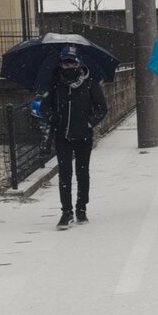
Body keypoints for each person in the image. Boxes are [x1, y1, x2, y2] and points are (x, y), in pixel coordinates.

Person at [43, 44, 108, 230]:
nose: (69, 67)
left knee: (82, 172)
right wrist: (52, 117)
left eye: (72, 64)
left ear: (79, 64)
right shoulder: (55, 83)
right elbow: (45, 107)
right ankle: (66, 212)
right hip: (62, 134)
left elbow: (101, 108)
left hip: (83, 135)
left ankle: (81, 208)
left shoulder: (89, 82)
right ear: (61, 64)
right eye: (65, 64)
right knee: (64, 174)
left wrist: (89, 123)